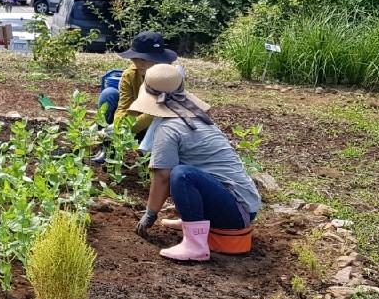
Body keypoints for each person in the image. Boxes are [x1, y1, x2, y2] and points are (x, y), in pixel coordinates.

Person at [131, 65, 261, 261]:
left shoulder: (168, 129)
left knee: (182, 175)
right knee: (185, 171)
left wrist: (150, 215)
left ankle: (195, 246)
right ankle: (193, 221)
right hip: (244, 205)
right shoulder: (197, 117)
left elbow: (162, 177)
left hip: (235, 212)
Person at [98, 31, 180, 138]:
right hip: (135, 119)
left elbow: (153, 114)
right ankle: (102, 137)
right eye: (135, 59)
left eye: (144, 59)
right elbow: (123, 106)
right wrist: (116, 126)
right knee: (109, 94)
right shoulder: (130, 75)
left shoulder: (168, 78)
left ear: (157, 59)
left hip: (159, 124)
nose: (138, 64)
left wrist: (126, 129)